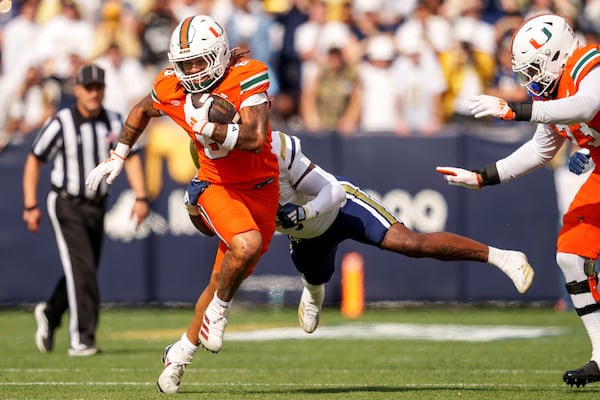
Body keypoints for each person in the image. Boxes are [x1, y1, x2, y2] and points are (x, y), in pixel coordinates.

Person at [84, 15, 280, 394]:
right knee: (246, 246)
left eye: (197, 62)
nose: (190, 71)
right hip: (215, 184)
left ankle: (179, 354)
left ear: (220, 55)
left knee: (221, 279)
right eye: (184, 63)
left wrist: (208, 127)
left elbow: (255, 139)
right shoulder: (170, 85)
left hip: (263, 189)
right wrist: (119, 154)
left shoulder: (249, 73)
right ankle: (220, 313)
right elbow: (142, 109)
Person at [187, 130, 535, 335]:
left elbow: (333, 192)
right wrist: (193, 209)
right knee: (315, 273)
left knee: (409, 243)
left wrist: (304, 211)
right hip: (304, 235)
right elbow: (217, 233)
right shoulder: (218, 187)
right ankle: (313, 291)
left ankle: (502, 257)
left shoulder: (273, 148)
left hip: (338, 208)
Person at [435, 14, 600, 387]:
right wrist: (481, 177)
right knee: (571, 255)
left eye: (534, 68)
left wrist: (514, 110)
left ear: (557, 53)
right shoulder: (554, 96)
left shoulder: (588, 60)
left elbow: (588, 105)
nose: (529, 80)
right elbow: (539, 150)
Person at [22, 64, 149, 356]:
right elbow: (34, 159)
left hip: (97, 204)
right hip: (66, 202)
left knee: (83, 269)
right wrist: (30, 204)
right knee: (83, 269)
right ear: (77, 89)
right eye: (88, 87)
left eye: (98, 87)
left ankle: (50, 312)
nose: (93, 93)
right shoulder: (61, 122)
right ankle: (82, 339)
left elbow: (131, 158)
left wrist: (141, 198)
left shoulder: (116, 121)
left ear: (104, 89)